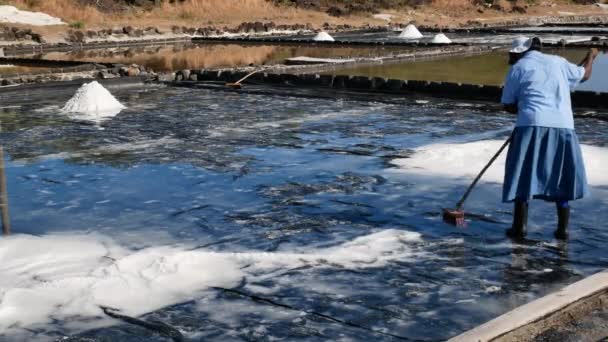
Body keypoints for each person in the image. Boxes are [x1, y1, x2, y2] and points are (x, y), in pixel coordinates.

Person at [501, 36, 599, 240]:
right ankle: (562, 230)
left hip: (530, 125)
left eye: (512, 53)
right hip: (562, 126)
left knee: (523, 175)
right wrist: (592, 56)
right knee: (561, 175)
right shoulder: (558, 62)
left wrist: (524, 107)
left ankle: (520, 228)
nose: (510, 57)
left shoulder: (517, 68)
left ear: (519, 52)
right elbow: (585, 75)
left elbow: (508, 105)